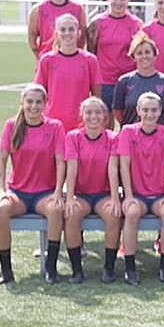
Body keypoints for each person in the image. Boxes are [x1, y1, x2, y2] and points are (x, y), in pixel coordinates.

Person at [0, 83, 66, 285]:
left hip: (45, 194)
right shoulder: (11, 125)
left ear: (45, 104)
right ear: (22, 102)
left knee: (56, 209)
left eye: (38, 102)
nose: (34, 106)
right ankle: (6, 270)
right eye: (29, 102)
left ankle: (51, 269)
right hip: (19, 194)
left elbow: (61, 161)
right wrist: (1, 190)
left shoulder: (55, 127)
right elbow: (1, 158)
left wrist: (58, 191)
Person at [115, 91, 164, 285]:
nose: (149, 114)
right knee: (132, 213)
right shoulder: (127, 131)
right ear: (138, 111)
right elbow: (124, 165)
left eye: (153, 110)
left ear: (160, 111)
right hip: (137, 195)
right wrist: (128, 196)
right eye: (145, 110)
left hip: (160, 194)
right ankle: (130, 268)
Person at [62, 96, 122, 284]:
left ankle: (109, 268)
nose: (93, 116)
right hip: (81, 195)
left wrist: (114, 198)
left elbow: (113, 168)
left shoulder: (112, 137)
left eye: (98, 112)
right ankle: (77, 270)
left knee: (113, 215)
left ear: (105, 116)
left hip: (103, 194)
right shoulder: (73, 137)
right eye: (88, 112)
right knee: (71, 215)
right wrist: (70, 197)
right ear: (82, 115)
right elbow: (71, 169)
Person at [33, 12, 100, 130]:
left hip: (81, 124)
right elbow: (38, 94)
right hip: (52, 124)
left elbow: (97, 96)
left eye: (71, 29)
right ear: (56, 34)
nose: (67, 33)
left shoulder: (90, 60)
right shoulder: (47, 60)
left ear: (78, 33)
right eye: (63, 30)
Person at [86, 0, 141, 119]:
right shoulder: (96, 23)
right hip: (104, 82)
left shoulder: (136, 24)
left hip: (128, 81)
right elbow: (91, 53)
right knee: (105, 122)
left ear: (128, 0)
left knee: (129, 121)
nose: (118, 2)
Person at [112, 31, 164, 132]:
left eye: (147, 52)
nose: (144, 56)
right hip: (133, 138)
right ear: (133, 57)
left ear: (155, 55)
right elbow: (117, 110)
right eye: (139, 53)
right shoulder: (124, 81)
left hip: (158, 139)